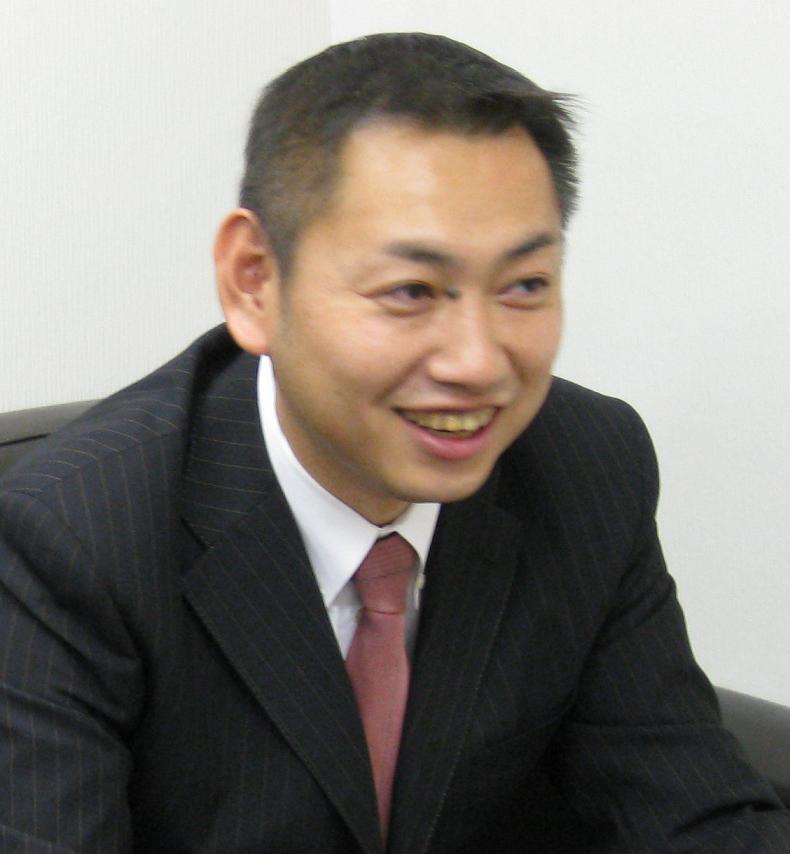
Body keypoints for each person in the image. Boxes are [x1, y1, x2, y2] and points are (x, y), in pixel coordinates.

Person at [0, 32, 788, 854]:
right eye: (412, 290)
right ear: (254, 281)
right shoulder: (68, 540)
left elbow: (690, 817)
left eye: (524, 285)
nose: (478, 363)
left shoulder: (587, 464)